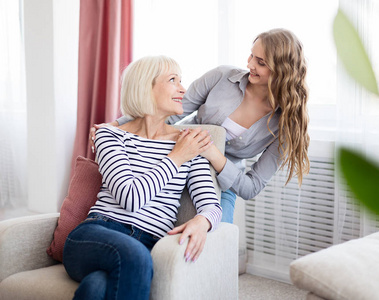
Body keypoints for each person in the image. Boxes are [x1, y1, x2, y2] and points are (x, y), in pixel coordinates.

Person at [90, 28, 309, 224]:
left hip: (221, 184)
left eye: (261, 63)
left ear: (282, 71)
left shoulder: (287, 124)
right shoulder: (223, 77)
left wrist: (215, 156)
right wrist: (116, 125)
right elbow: (171, 111)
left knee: (213, 238)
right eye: (252, 55)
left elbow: (251, 187)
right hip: (175, 158)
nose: (250, 64)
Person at [64, 55, 222, 300]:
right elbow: (131, 198)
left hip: (149, 244)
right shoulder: (110, 135)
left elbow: (211, 205)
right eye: (173, 80)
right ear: (145, 86)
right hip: (95, 234)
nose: (183, 89)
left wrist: (203, 221)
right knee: (134, 256)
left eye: (182, 80)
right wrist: (176, 158)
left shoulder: (190, 142)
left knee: (96, 288)